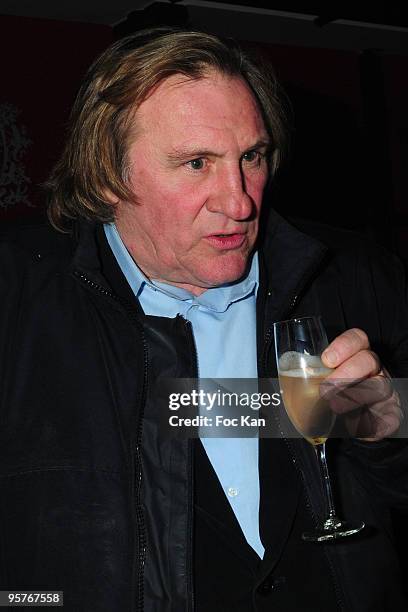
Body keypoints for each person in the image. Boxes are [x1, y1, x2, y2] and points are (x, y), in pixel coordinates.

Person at [0, 27, 407, 612]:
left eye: (252, 157)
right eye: (197, 163)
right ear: (106, 174)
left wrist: (389, 432)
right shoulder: (18, 298)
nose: (241, 202)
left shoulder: (353, 277)